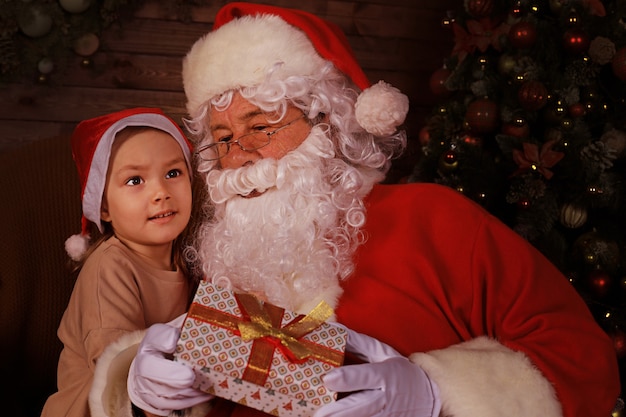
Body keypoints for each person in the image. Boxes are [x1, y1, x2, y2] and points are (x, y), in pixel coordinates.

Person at [91, 3, 620, 417]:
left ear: (328, 124)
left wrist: (438, 393)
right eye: (223, 138)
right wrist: (146, 381)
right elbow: (220, 384)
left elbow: (583, 358)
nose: (240, 154)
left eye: (262, 126)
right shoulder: (220, 254)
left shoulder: (435, 218)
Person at [40, 107, 212, 417]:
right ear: (104, 207)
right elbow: (119, 366)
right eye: (135, 180)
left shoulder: (185, 259)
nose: (161, 192)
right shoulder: (110, 267)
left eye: (173, 173)